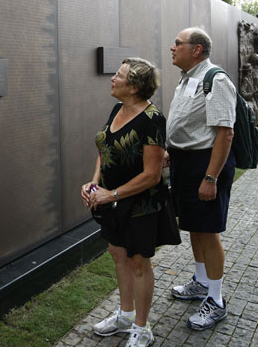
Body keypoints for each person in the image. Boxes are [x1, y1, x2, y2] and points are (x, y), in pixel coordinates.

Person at [81, 58, 181, 347]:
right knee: (117, 253)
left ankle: (141, 327)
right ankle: (125, 315)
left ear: (134, 87)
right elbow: (105, 150)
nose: (112, 79)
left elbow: (151, 175)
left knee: (138, 262)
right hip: (112, 199)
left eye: (119, 75)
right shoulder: (117, 109)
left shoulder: (153, 119)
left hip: (140, 204)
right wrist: (94, 183)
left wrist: (109, 194)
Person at [165, 27, 236, 330]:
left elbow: (225, 132)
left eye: (178, 43)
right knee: (194, 225)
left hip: (205, 164)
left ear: (196, 50)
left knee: (208, 230)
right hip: (185, 163)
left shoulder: (216, 79)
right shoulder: (187, 78)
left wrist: (211, 177)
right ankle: (201, 281)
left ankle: (216, 300)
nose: (172, 47)